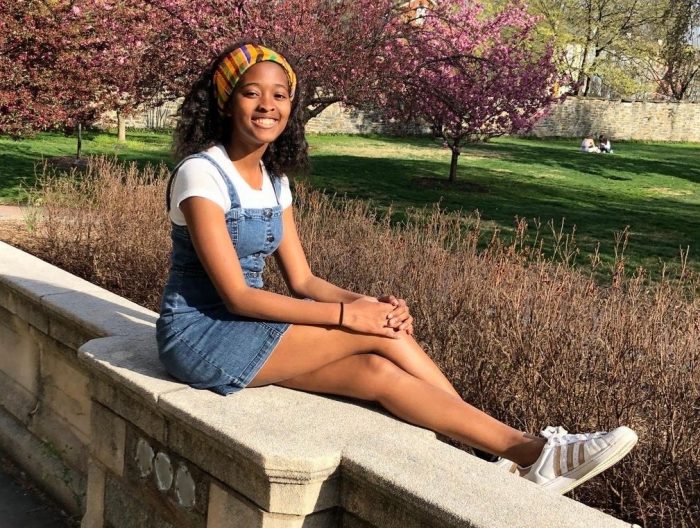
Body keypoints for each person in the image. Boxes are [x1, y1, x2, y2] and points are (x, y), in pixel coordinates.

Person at [156, 42, 638, 495]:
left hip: (249, 327)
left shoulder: (272, 180)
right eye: (252, 92)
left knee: (375, 371)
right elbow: (237, 295)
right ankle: (530, 452)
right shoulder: (203, 173)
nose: (268, 105)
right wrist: (353, 319)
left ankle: (510, 454)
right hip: (201, 335)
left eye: (280, 95)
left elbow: (303, 281)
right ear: (226, 102)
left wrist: (366, 304)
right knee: (380, 334)